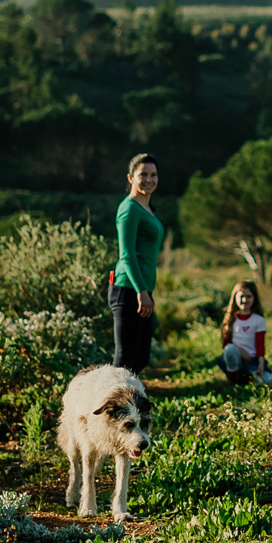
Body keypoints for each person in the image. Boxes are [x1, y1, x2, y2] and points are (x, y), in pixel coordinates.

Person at [111, 153, 161, 376]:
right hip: (128, 289)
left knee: (140, 357)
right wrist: (141, 291)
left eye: (153, 175)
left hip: (142, 290)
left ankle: (125, 406)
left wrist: (145, 290)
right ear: (131, 178)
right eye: (143, 175)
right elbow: (127, 255)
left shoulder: (147, 208)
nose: (149, 180)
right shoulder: (129, 209)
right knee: (124, 361)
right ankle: (107, 407)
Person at [218, 279, 272, 386]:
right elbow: (226, 345)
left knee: (269, 382)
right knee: (229, 350)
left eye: (249, 296)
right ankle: (235, 380)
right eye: (241, 296)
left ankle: (249, 377)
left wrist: (261, 364)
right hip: (236, 358)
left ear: (254, 298)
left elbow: (260, 344)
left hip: (253, 360)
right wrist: (241, 351)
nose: (244, 300)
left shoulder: (258, 320)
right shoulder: (231, 319)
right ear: (235, 297)